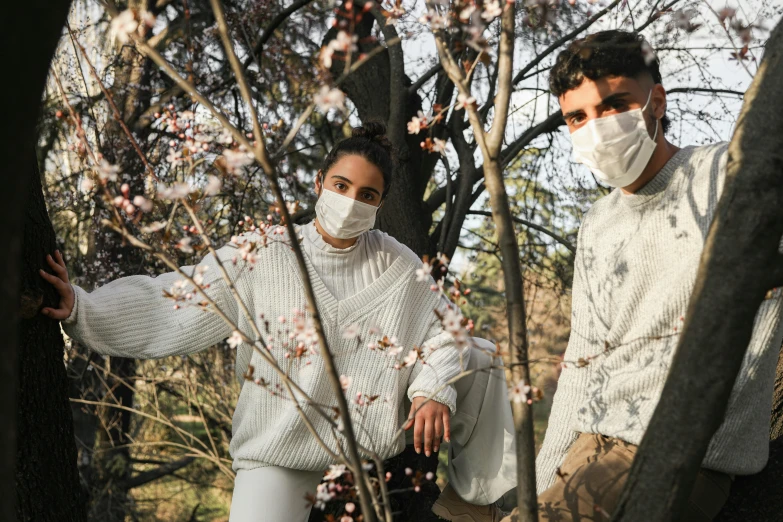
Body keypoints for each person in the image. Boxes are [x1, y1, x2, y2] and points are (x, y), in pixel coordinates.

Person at [40, 122, 516, 522]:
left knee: (479, 353)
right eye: (341, 186)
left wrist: (432, 389)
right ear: (319, 183)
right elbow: (177, 299)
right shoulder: (265, 253)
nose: (351, 201)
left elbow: (447, 331)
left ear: (382, 202)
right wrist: (84, 307)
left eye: (367, 194)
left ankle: (474, 500)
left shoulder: (399, 264)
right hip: (280, 451)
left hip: (369, 457)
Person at [501, 30, 783, 522]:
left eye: (613, 105)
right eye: (577, 117)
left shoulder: (728, 175)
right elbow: (583, 362)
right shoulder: (597, 224)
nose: (596, 127)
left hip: (673, 451)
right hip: (591, 447)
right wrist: (543, 482)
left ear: (656, 101)